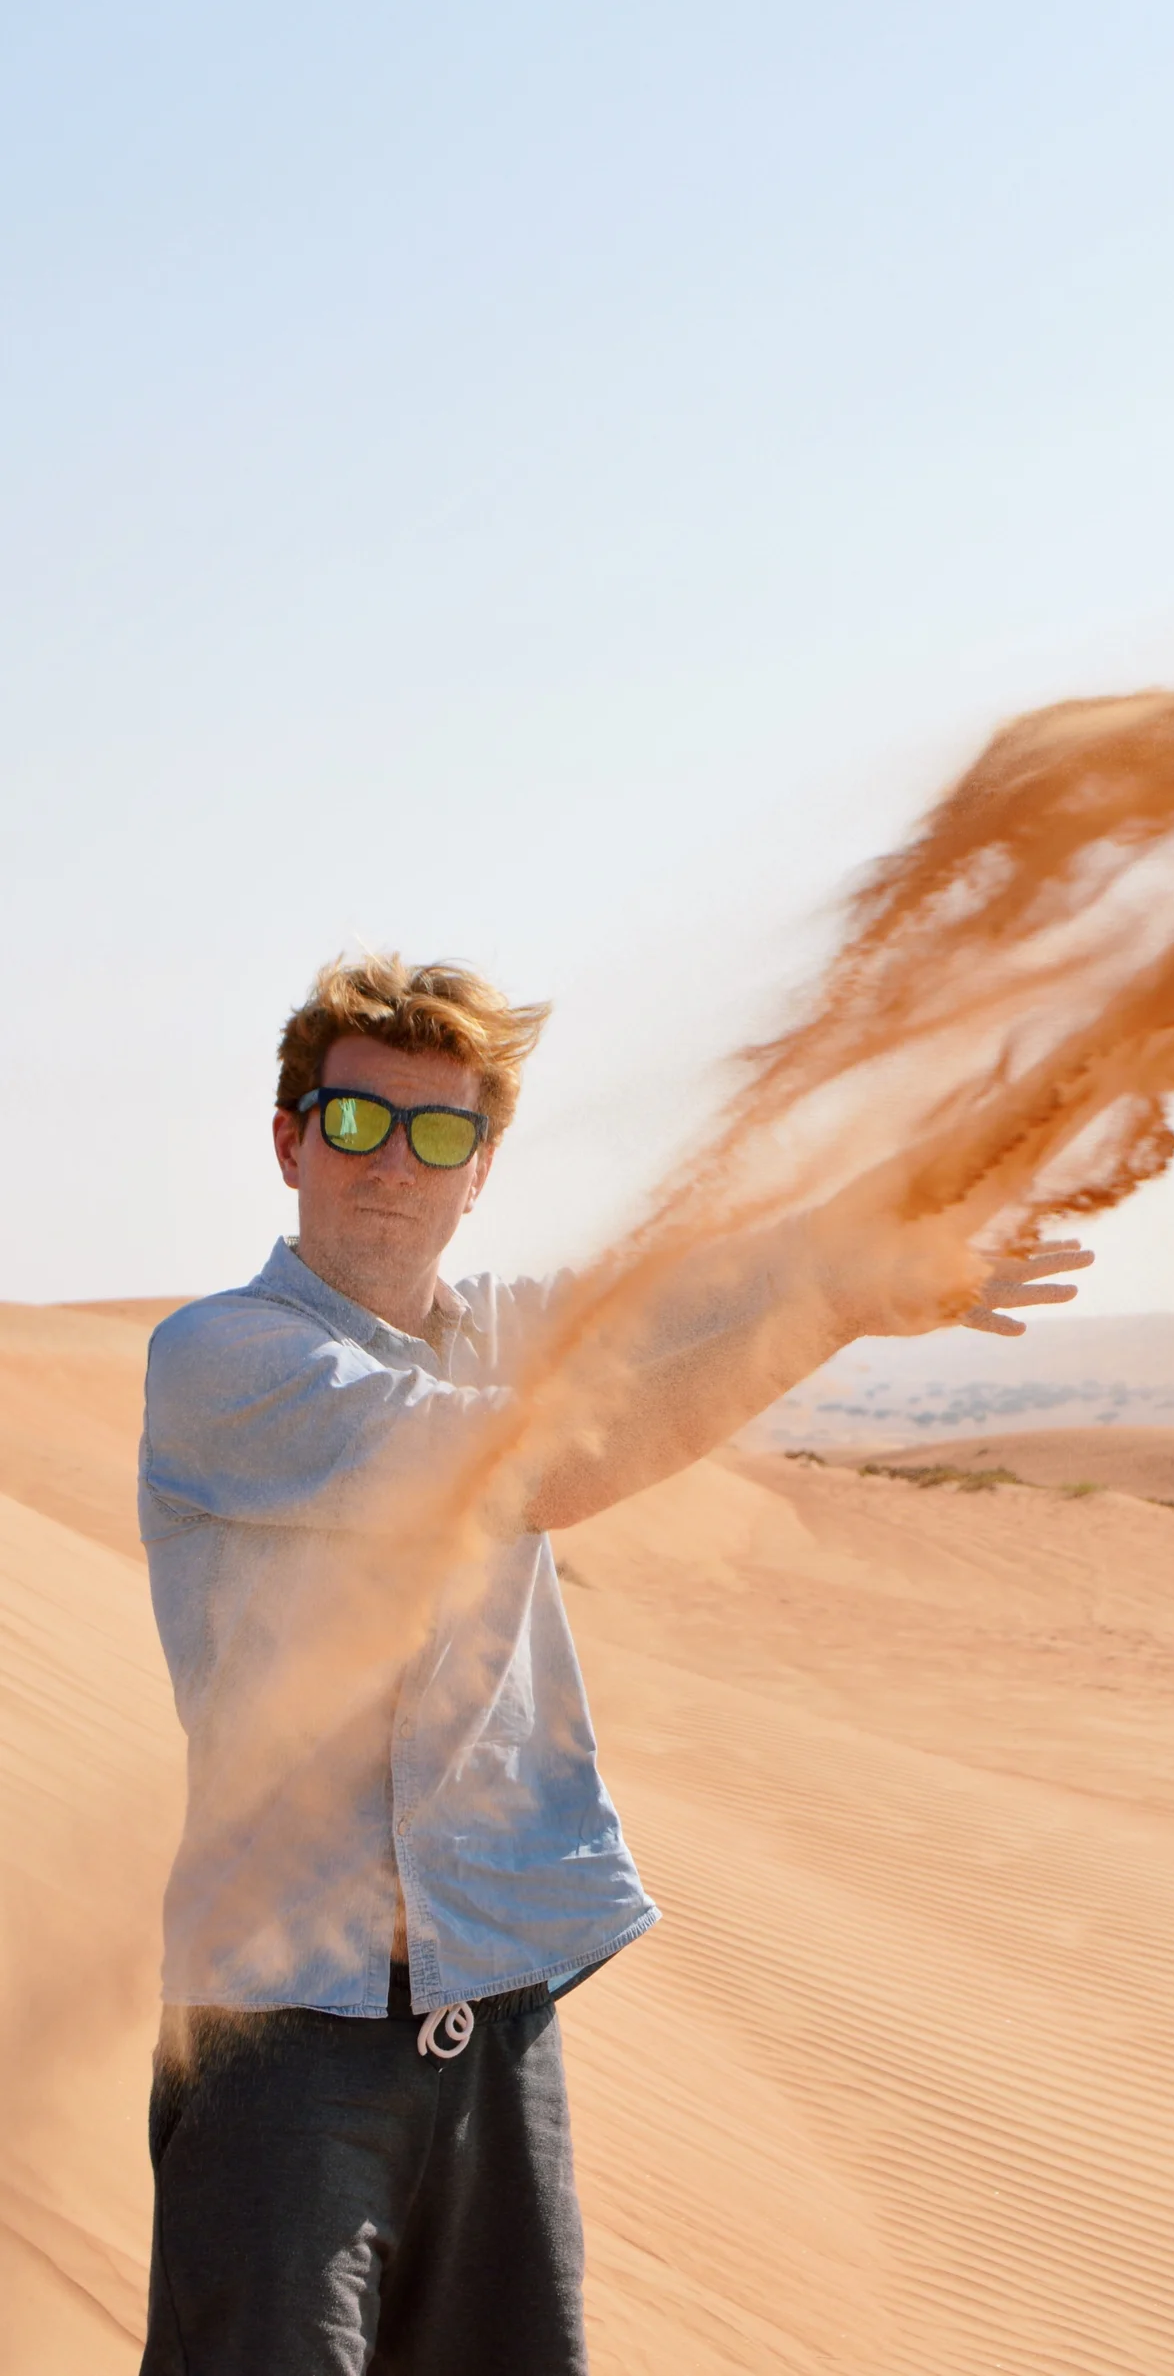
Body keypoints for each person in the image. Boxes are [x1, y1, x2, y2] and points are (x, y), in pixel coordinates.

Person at [136, 952, 1089, 2376]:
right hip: (283, 2042)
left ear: (481, 1169)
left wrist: (1014, 1114)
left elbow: (738, 1272)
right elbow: (546, 1468)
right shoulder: (227, 1358)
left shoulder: (517, 1330)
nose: (392, 1159)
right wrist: (832, 1311)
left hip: (493, 2012)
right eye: (354, 1121)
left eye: (438, 1130)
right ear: (290, 1140)